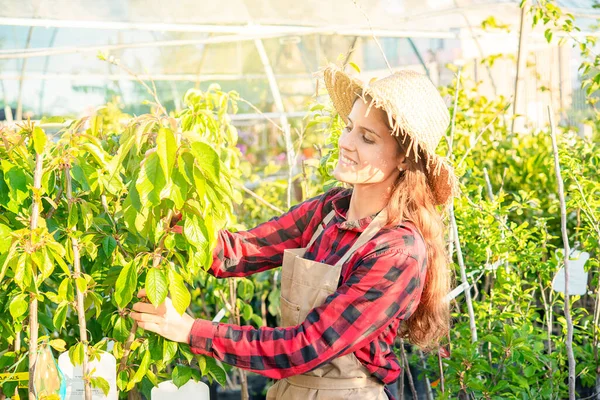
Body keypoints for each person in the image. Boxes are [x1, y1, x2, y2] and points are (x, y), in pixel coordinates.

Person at [130, 64, 457, 400]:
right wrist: (170, 207)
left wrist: (190, 330)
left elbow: (308, 345)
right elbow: (240, 251)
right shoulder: (329, 211)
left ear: (404, 159)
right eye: (349, 127)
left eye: (367, 137)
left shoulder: (396, 251)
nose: (346, 142)